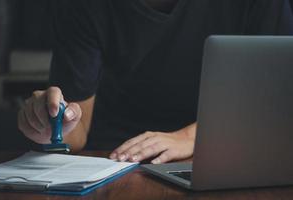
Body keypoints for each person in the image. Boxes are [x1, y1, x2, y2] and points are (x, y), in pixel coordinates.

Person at [18, 0, 293, 164]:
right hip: (116, 160)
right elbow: (76, 131)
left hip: (230, 154)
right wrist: (50, 125)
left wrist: (192, 138)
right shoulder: (83, 6)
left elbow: (276, 105)